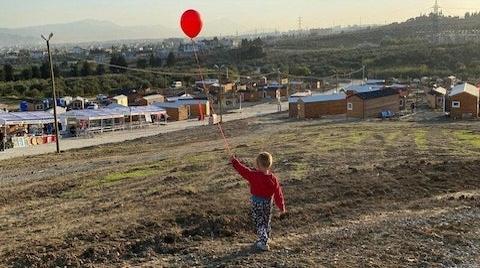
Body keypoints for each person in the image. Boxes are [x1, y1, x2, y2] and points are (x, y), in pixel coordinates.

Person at [230, 152, 286, 251]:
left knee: (259, 222)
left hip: (257, 203)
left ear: (258, 165)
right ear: (269, 164)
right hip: (268, 203)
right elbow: (278, 193)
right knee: (266, 221)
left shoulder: (254, 175)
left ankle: (263, 241)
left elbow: (243, 171)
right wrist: (281, 207)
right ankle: (265, 238)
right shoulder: (273, 178)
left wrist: (235, 162)